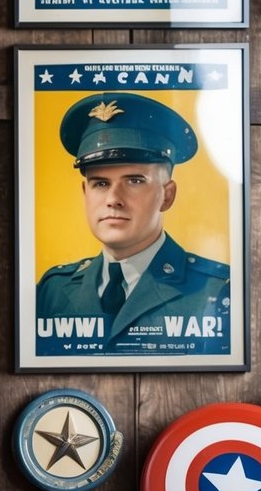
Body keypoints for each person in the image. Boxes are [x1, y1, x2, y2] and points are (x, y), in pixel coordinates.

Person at [35, 92, 230, 351]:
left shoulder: (218, 290)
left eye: (134, 181)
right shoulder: (54, 290)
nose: (113, 199)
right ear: (86, 193)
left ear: (167, 195)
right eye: (100, 184)